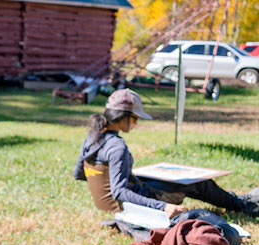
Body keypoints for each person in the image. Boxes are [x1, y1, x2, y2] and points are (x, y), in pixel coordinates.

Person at [74, 88, 259, 217]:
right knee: (200, 184)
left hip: (112, 202)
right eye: (136, 118)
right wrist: (163, 206)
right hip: (134, 205)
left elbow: (79, 174)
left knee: (168, 179)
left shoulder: (92, 137)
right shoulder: (117, 147)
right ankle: (245, 206)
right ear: (125, 117)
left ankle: (238, 200)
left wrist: (112, 179)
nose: (137, 123)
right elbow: (120, 192)